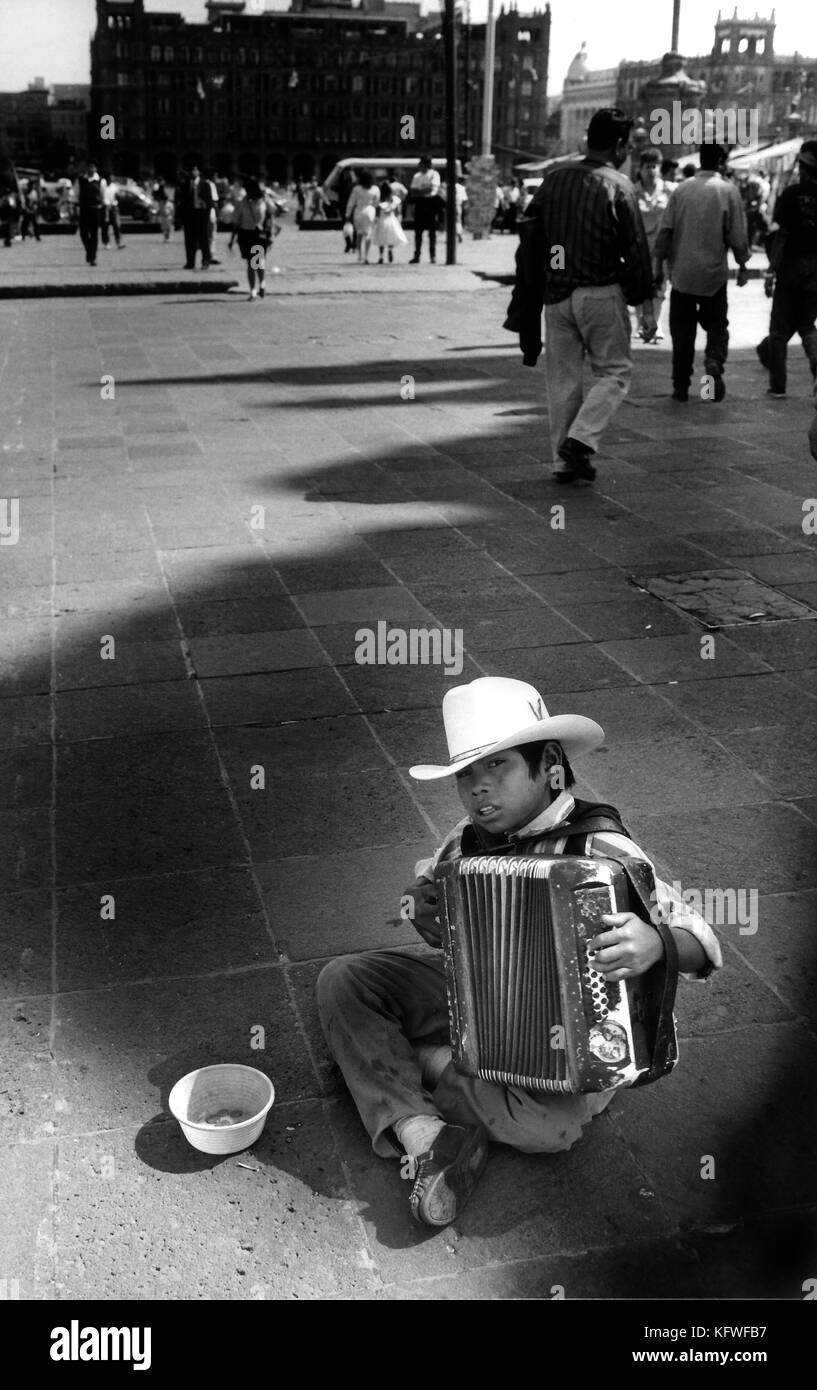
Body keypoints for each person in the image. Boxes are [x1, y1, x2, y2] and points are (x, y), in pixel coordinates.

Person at [316, 676, 722, 1229]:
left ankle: (412, 1071)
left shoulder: (603, 849)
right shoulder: (465, 841)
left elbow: (700, 942)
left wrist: (654, 943)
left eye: (498, 767)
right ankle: (424, 1133)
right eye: (467, 775)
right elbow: (428, 891)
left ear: (550, 764)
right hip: (476, 999)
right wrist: (418, 907)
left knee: (546, 1130)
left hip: (573, 1033)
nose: (480, 789)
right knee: (342, 979)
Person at [505, 108, 654, 484]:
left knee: (562, 381)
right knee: (615, 372)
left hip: (556, 296)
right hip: (600, 292)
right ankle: (580, 439)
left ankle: (562, 462)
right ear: (620, 145)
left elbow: (530, 237)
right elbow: (636, 249)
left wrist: (533, 290)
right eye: (628, 145)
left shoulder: (553, 180)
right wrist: (645, 304)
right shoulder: (618, 185)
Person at [654, 141, 750, 403]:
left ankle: (680, 387)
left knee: (682, 335)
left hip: (682, 275)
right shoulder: (728, 191)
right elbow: (738, 236)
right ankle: (712, 363)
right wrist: (742, 266)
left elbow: (665, 234)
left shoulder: (681, 190)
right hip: (713, 277)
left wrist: (657, 269)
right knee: (716, 328)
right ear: (721, 162)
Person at [755, 140, 817, 400]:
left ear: (801, 167)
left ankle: (778, 386)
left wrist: (771, 271)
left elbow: (781, 235)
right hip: (816, 268)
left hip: (791, 265)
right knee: (807, 325)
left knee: (779, 330)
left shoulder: (791, 195)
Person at [634, 149, 670, 342]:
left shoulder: (669, 190)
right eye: (647, 166)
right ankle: (641, 325)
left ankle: (657, 325)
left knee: (661, 287)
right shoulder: (632, 191)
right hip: (639, 248)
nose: (651, 170)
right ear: (640, 169)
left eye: (654, 166)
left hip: (661, 248)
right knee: (640, 287)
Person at [228, 176, 272, 299]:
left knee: (257, 262)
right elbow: (236, 222)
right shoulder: (243, 202)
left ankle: (261, 284)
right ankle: (253, 289)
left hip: (258, 235)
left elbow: (273, 212)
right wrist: (232, 239)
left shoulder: (264, 200)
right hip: (246, 234)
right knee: (252, 263)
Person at [175, 165, 213, 269]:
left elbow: (209, 202)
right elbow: (181, 201)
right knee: (189, 240)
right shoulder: (185, 184)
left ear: (199, 172)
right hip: (189, 216)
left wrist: (206, 216)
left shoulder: (205, 184)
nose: (193, 172)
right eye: (191, 170)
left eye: (195, 170)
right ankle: (190, 262)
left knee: (203, 239)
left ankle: (206, 260)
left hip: (201, 215)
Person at [408, 155, 441, 264]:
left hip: (431, 202)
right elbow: (413, 191)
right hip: (420, 203)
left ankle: (433, 255)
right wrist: (424, 190)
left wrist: (420, 190)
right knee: (418, 232)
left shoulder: (434, 174)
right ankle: (417, 255)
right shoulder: (416, 176)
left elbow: (432, 189)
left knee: (432, 231)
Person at [345, 169, 379, 264]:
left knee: (359, 234)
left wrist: (347, 215)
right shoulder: (375, 189)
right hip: (370, 211)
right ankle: (366, 256)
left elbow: (351, 202)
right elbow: (376, 203)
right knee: (368, 234)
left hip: (359, 211)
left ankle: (359, 255)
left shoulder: (357, 189)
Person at [76, 161, 106, 266]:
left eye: (93, 167)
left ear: (96, 169)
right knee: (83, 233)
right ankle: (89, 250)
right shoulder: (80, 180)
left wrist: (104, 210)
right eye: (89, 167)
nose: (91, 169)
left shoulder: (101, 181)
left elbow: (103, 196)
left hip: (96, 209)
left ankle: (92, 256)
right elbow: (76, 194)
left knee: (94, 234)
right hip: (84, 209)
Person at [372, 180, 407, 264]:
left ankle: (381, 256)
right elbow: (398, 212)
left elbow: (377, 214)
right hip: (391, 220)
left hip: (382, 220)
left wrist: (374, 223)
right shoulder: (394, 200)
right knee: (390, 237)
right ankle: (390, 250)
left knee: (381, 239)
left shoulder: (379, 201)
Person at [100, 176, 124, 250]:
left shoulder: (114, 187)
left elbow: (119, 195)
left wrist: (118, 196)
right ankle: (106, 243)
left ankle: (119, 242)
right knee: (105, 226)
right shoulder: (102, 187)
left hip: (113, 207)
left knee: (117, 225)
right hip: (105, 208)